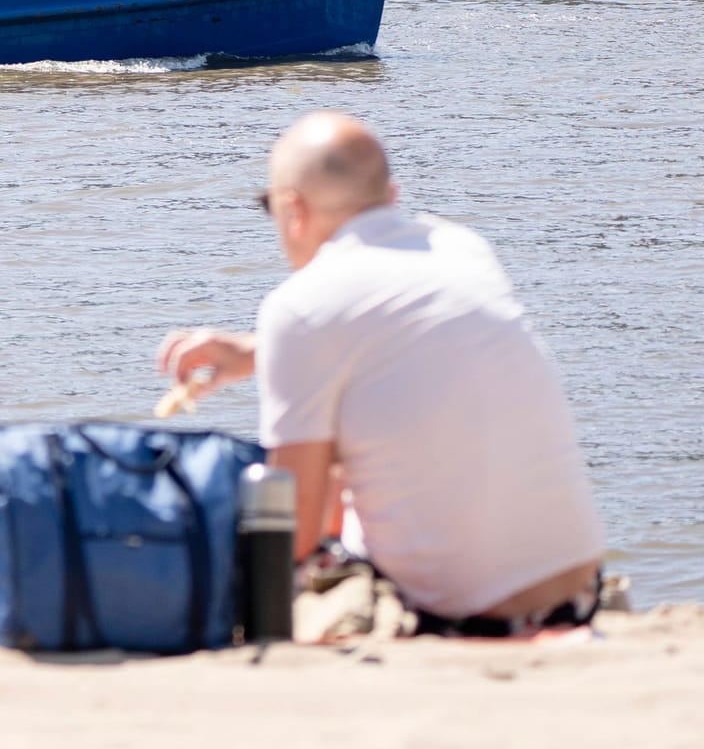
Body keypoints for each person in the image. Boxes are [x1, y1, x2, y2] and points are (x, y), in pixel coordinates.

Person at [156, 112, 605, 635]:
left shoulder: (299, 307)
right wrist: (259, 352)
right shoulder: (461, 246)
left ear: (293, 209)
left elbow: (294, 529)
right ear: (391, 195)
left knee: (316, 478)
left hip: (474, 616)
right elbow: (396, 333)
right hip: (579, 588)